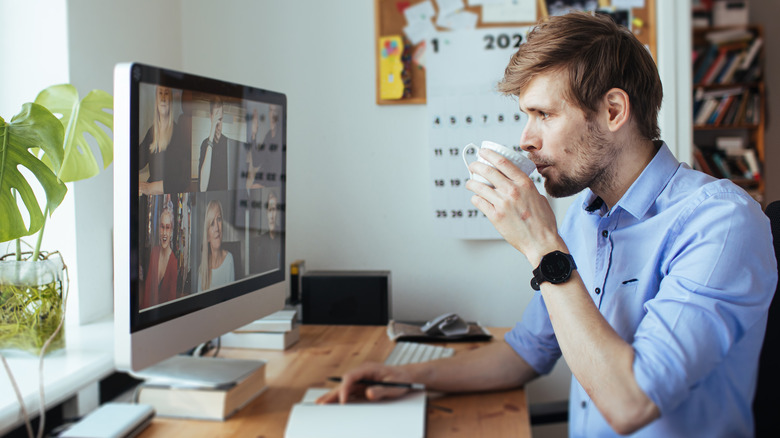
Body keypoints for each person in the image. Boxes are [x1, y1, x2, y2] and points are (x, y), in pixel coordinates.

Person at [319, 12, 777, 437]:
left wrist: (542, 246)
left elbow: (631, 403)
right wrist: (405, 378)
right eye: (526, 116)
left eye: (544, 115)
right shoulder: (583, 212)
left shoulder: (721, 223)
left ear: (614, 111)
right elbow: (526, 352)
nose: (526, 139)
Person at [139, 86, 189, 195]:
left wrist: (150, 188)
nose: (163, 98)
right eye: (160, 94)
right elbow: (138, 161)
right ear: (156, 100)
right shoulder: (151, 132)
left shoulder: (178, 134)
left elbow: (182, 180)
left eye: (166, 94)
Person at [142, 205, 178, 308]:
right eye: (162, 227)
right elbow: (147, 291)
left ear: (171, 231)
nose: (164, 233)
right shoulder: (154, 252)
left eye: (168, 227)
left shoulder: (173, 263)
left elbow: (171, 302)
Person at [198, 199, 235, 291]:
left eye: (219, 219)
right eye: (212, 223)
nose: (217, 228)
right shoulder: (202, 270)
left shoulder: (229, 260)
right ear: (207, 236)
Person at [199, 96, 230, 191]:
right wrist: (212, 132)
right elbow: (202, 187)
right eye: (215, 119)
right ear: (211, 116)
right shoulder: (204, 144)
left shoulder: (228, 144)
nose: (218, 123)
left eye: (220, 119)